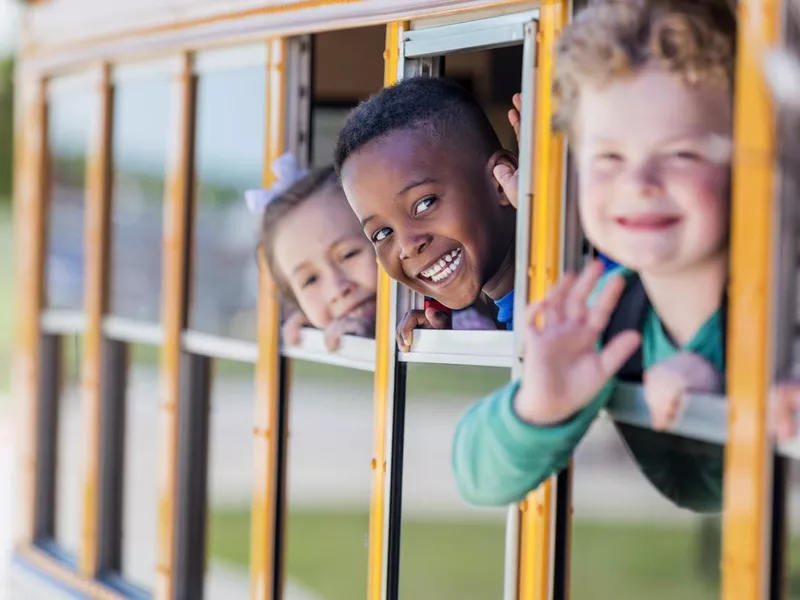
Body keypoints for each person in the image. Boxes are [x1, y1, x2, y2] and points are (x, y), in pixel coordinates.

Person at [450, 0, 736, 513]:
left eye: (682, 154)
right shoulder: (603, 308)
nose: (639, 184)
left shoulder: (783, 296)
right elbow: (477, 476)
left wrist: (729, 400)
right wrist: (538, 404)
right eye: (608, 157)